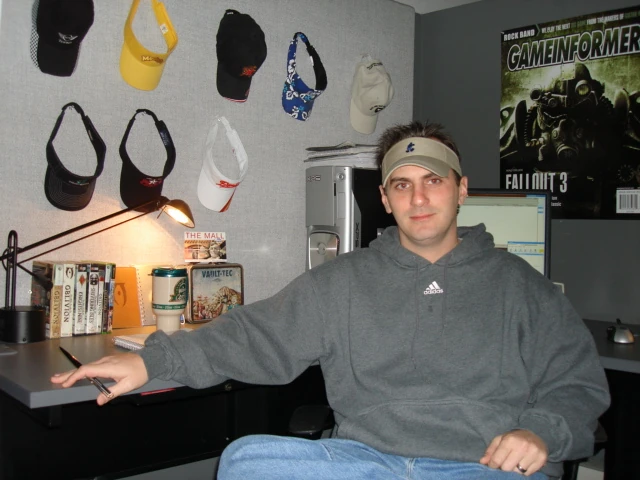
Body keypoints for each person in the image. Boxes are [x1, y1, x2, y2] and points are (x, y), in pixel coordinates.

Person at [52, 121, 609, 480]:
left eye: (434, 180)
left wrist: (543, 430)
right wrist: (151, 361)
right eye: (402, 184)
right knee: (245, 462)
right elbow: (256, 334)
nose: (418, 197)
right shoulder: (342, 282)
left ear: (461, 189)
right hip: (367, 463)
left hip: (484, 465)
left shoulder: (522, 287)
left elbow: (578, 383)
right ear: (385, 199)